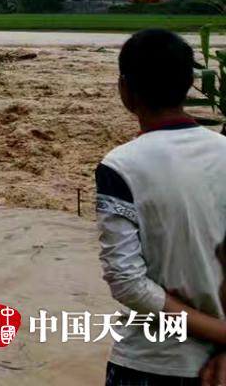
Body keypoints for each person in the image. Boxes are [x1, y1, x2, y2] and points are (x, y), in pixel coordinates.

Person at [95, 29, 226, 385]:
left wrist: (220, 334)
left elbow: (128, 283)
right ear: (188, 84)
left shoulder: (121, 166)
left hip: (150, 364)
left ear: (125, 90)